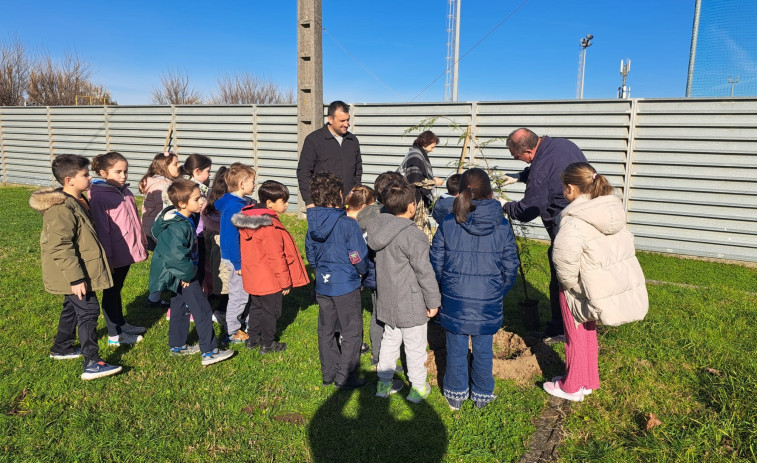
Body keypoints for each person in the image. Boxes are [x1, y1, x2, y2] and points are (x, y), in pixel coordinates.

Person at [543, 162, 648, 401]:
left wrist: (569, 285)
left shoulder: (574, 219)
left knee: (575, 334)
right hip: (599, 284)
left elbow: (563, 258)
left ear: (571, 188)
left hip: (580, 285)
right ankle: (588, 381)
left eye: (564, 187)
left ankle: (571, 387)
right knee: (588, 331)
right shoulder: (609, 211)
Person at [430, 168, 519, 410]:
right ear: (490, 192)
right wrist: (498, 290)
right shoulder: (502, 225)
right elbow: (511, 265)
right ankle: (481, 394)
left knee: (456, 347)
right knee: (483, 349)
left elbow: (435, 262)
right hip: (487, 297)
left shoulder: (448, 223)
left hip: (454, 297)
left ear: (460, 191)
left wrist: (444, 287)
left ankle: (455, 393)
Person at [30, 154, 122, 380]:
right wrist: (75, 278)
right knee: (88, 310)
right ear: (69, 180)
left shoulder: (78, 199)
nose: (90, 178)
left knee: (72, 308)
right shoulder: (61, 208)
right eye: (85, 174)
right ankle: (92, 362)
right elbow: (60, 245)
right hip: (72, 272)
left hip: (80, 269)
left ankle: (61, 347)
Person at [502, 128, 588, 338]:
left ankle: (561, 328)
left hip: (564, 226)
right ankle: (584, 319)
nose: (521, 161)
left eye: (519, 158)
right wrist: (521, 176)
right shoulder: (562, 144)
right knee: (582, 273)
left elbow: (528, 210)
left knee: (561, 275)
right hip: (586, 219)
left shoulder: (540, 169)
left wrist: (505, 205)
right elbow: (551, 168)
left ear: (529, 152)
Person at [366, 182, 441, 403]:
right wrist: (433, 301)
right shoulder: (412, 235)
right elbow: (424, 272)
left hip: (387, 300)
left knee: (390, 341)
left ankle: (384, 383)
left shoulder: (377, 229)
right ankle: (418, 388)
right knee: (415, 347)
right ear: (412, 206)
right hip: (411, 302)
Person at [150, 179, 234, 366]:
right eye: (197, 199)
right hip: (184, 274)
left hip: (183, 272)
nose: (201, 201)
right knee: (202, 309)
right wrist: (187, 275)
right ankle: (210, 351)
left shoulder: (186, 217)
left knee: (179, 306)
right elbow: (175, 256)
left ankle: (177, 345)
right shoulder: (177, 227)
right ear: (182, 203)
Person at [305, 172, 369, 390]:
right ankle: (347, 376)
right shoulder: (348, 225)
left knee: (326, 329)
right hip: (346, 285)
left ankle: (329, 373)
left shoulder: (312, 225)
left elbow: (311, 255)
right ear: (340, 194)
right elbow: (357, 255)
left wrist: (321, 270)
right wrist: (361, 271)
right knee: (351, 331)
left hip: (323, 284)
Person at [233, 180, 310, 354]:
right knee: (271, 311)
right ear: (269, 203)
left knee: (256, 307)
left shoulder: (248, 221)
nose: (286, 205)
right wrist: (285, 282)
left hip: (254, 276)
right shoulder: (269, 227)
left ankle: (253, 339)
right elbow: (276, 256)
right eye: (283, 201)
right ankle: (268, 343)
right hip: (270, 278)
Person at [89, 151, 147, 347]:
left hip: (126, 252)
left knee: (117, 289)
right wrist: (108, 259)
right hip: (113, 256)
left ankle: (121, 324)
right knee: (111, 293)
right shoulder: (99, 197)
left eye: (126, 171)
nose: (123, 176)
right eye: (118, 172)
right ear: (103, 173)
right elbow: (103, 232)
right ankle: (115, 335)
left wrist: (141, 243)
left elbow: (134, 222)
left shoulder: (126, 191)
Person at [355, 172, 408, 367]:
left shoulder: (365, 214)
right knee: (387, 317)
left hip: (372, 275)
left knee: (378, 313)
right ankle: (383, 356)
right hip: (387, 274)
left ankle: (379, 353)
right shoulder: (388, 217)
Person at [215, 163, 256, 344]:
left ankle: (239, 323)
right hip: (236, 258)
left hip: (235, 257)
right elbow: (232, 238)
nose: (254, 184)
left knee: (241, 293)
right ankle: (232, 330)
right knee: (239, 295)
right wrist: (238, 263)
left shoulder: (232, 202)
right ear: (241, 184)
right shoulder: (234, 208)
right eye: (252, 181)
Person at [297, 100, 362, 207]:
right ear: (330, 119)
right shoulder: (314, 140)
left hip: (348, 204)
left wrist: (356, 194)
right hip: (322, 204)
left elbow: (358, 170)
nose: (347, 124)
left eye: (348, 120)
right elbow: (303, 172)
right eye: (342, 121)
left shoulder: (353, 141)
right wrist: (309, 201)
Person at [140, 151, 180, 309]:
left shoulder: (159, 182)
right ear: (165, 167)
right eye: (175, 164)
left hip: (155, 228)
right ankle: (155, 296)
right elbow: (165, 210)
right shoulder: (162, 185)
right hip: (160, 230)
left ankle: (157, 294)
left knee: (163, 262)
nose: (179, 166)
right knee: (164, 263)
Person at [397, 130, 444, 240]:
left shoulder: (417, 153)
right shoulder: (416, 156)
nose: (432, 150)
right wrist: (433, 182)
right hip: (413, 198)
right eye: (432, 147)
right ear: (425, 143)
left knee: (422, 228)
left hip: (416, 197)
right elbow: (415, 179)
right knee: (417, 230)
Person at [178, 153, 213, 289]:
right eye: (208, 171)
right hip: (197, 232)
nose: (209, 175)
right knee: (198, 264)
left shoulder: (182, 184)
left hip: (196, 230)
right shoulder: (195, 189)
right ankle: (196, 293)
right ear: (197, 171)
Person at [200, 166, 230, 312]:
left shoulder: (211, 197)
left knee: (215, 268)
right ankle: (222, 308)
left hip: (212, 236)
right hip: (220, 238)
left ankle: (216, 296)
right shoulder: (226, 201)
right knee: (223, 272)